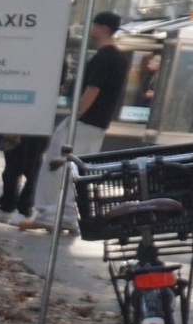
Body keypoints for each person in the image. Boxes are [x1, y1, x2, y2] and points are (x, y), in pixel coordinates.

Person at [17, 13, 130, 233]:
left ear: (104, 28)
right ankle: (68, 214)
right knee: (77, 169)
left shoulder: (104, 57)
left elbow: (92, 89)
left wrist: (75, 116)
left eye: (95, 25)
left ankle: (48, 214)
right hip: (99, 123)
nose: (92, 29)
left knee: (55, 163)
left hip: (84, 120)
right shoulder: (119, 58)